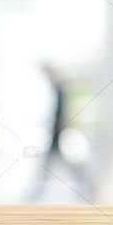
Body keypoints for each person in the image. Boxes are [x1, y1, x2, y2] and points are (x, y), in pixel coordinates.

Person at [28, 64, 93, 202]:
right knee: (55, 162)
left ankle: (86, 188)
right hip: (56, 131)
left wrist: (62, 124)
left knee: (62, 162)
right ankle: (36, 191)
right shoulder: (56, 87)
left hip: (59, 131)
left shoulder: (59, 88)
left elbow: (62, 110)